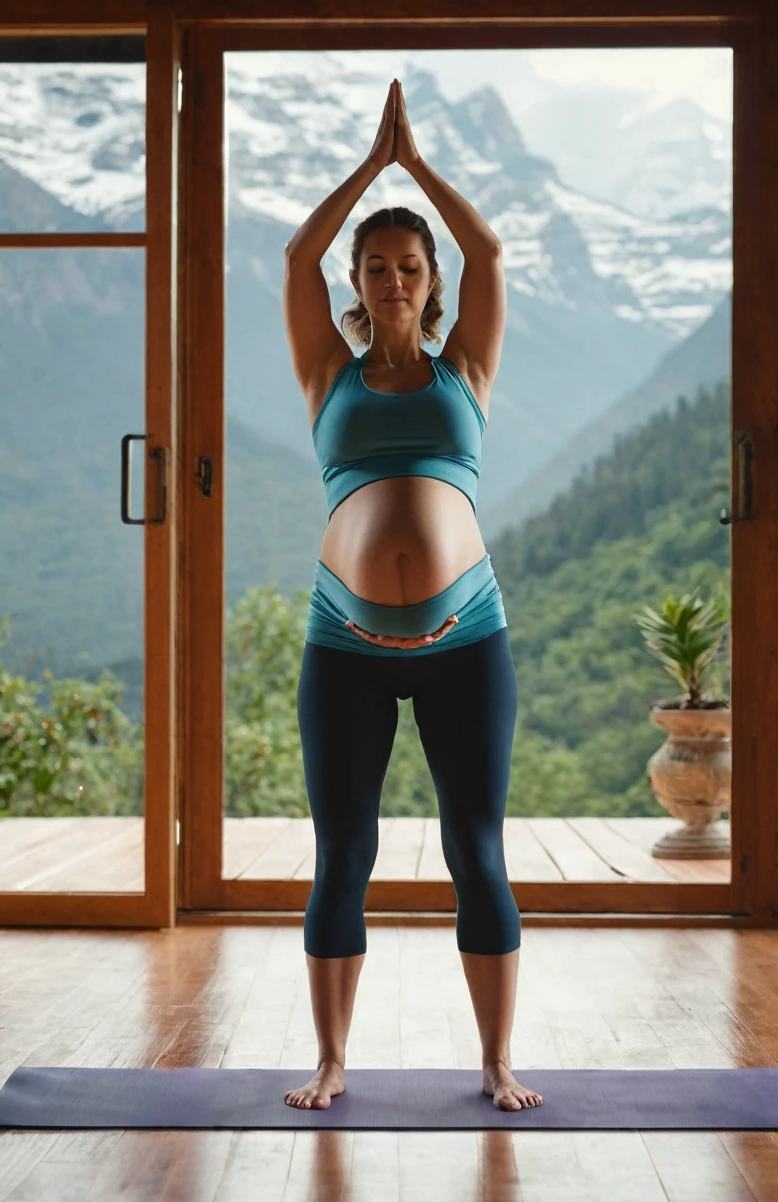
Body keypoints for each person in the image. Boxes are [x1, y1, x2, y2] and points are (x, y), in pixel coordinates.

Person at [281, 79, 542, 1115]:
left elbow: (495, 255)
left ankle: (495, 1062)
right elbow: (293, 259)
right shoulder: (324, 374)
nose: (393, 279)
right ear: (358, 278)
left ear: (430, 280)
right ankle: (332, 1059)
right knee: (344, 850)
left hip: (465, 636)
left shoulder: (464, 370)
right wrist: (367, 167)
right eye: (377, 266)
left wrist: (416, 164)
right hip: (341, 639)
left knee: (476, 849)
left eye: (409, 265)